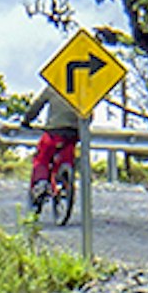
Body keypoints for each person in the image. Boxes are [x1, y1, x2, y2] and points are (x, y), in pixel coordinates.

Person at [26, 77, 86, 206]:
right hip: (73, 134)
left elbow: (37, 105)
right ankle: (65, 183)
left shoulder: (53, 87)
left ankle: (40, 183)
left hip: (54, 132)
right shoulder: (82, 90)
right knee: (67, 158)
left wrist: (26, 121)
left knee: (42, 158)